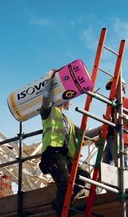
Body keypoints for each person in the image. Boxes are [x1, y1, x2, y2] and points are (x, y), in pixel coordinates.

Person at [39, 69, 100, 216]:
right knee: (66, 185)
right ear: (63, 97)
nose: (71, 102)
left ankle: (61, 205)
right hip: (53, 154)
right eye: (71, 98)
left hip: (67, 158)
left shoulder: (69, 122)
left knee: (84, 178)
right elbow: (46, 96)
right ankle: (62, 211)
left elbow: (85, 134)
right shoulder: (48, 111)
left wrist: (103, 128)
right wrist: (51, 79)